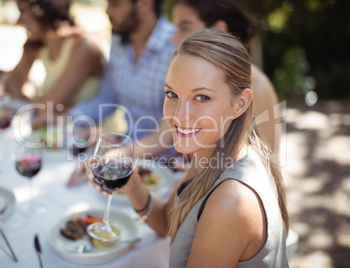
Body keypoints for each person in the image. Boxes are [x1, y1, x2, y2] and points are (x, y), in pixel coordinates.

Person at [89, 29, 289, 267]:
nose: (179, 115)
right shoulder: (213, 155)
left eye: (201, 97)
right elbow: (167, 223)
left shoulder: (231, 201)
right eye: (172, 94)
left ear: (241, 103)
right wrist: (132, 186)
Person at [67, 0, 177, 185]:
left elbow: (170, 131)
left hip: (166, 168)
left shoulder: (177, 45)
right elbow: (107, 98)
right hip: (125, 152)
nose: (108, 11)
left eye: (115, 4)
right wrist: (67, 118)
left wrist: (118, 154)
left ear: (144, 4)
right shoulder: (119, 40)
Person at [0, 0, 119, 130]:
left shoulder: (84, 46)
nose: (19, 20)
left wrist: (23, 98)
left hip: (91, 139)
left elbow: (47, 108)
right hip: (55, 133)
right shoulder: (39, 47)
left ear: (42, 9)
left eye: (22, 11)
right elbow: (8, 83)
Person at [170, 0, 282, 163]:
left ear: (217, 30)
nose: (174, 39)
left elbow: (270, 166)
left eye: (184, 28)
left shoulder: (257, 87)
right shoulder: (201, 79)